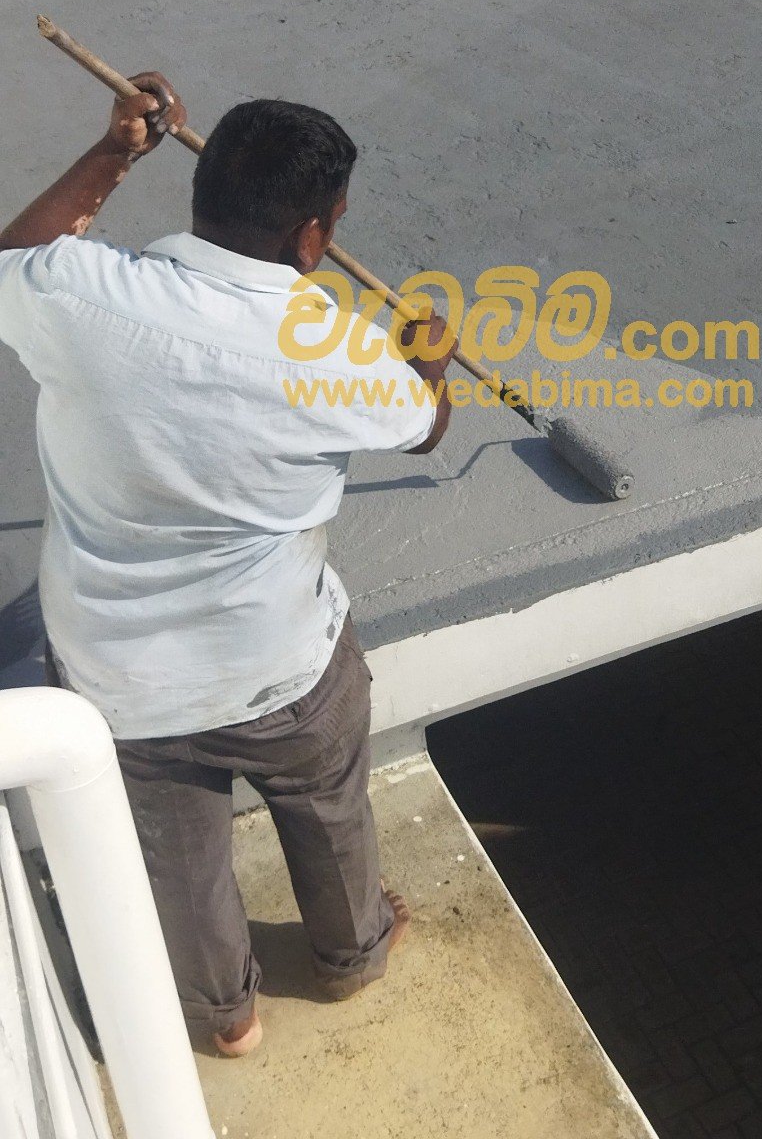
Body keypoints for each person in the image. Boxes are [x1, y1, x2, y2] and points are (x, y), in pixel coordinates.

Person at [0, 73, 455, 1056]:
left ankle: (224, 1017)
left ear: (202, 190)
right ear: (313, 237)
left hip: (121, 681)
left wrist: (113, 152)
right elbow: (423, 426)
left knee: (178, 862)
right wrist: (429, 355)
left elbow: (13, 257)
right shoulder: (340, 355)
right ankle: (351, 955)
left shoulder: (80, 292)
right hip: (282, 667)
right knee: (328, 812)